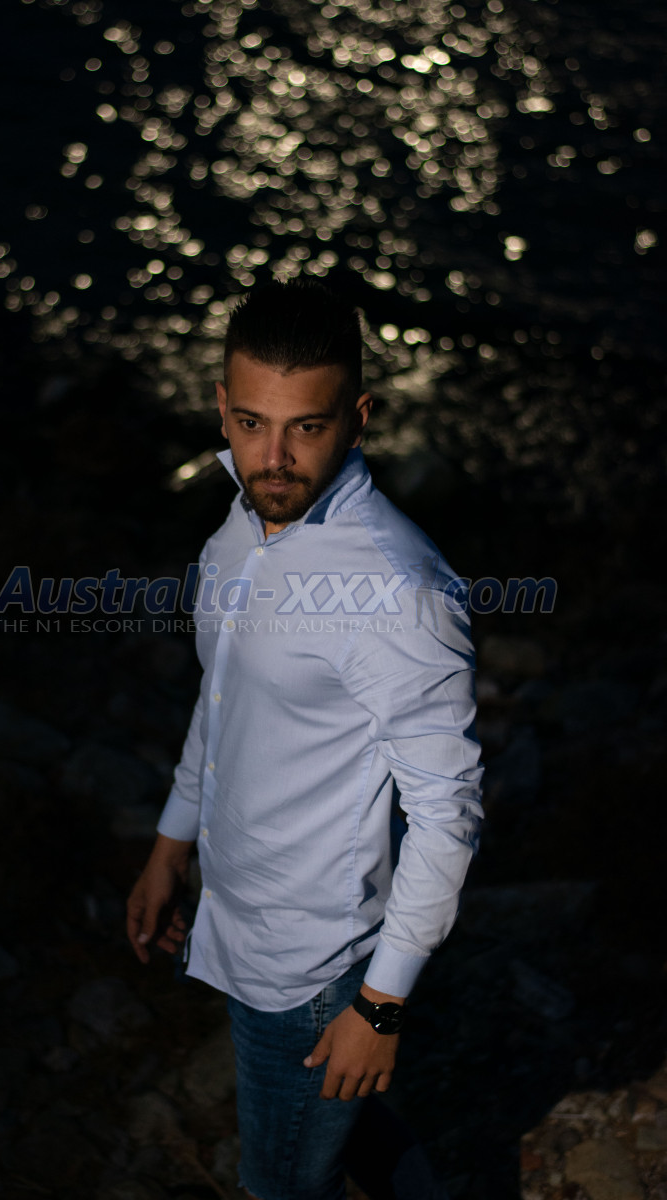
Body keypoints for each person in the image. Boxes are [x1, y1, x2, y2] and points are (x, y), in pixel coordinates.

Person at [126, 279, 483, 1200]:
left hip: (310, 967)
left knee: (283, 1184)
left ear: (358, 419)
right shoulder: (243, 526)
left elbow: (448, 812)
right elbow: (224, 701)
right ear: (222, 406)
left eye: (306, 428)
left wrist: (380, 1005)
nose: (273, 459)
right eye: (251, 424)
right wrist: (171, 844)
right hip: (237, 915)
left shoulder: (399, 589)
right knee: (345, 1135)